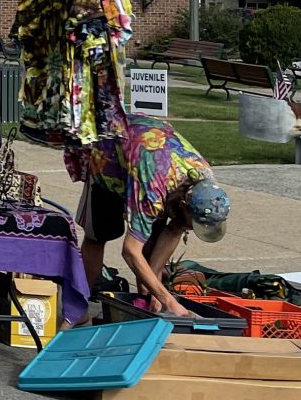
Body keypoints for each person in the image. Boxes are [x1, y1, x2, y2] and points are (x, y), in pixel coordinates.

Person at [70, 114, 231, 318]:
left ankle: (147, 298)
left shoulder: (204, 180)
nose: (191, 229)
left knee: (154, 244)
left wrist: (153, 286)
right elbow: (130, 251)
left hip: (150, 158)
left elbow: (176, 228)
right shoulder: (153, 190)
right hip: (108, 155)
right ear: (183, 205)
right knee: (100, 235)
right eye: (194, 223)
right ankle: (79, 305)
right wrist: (168, 300)